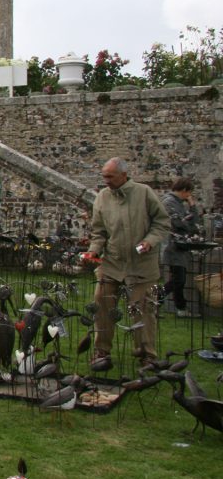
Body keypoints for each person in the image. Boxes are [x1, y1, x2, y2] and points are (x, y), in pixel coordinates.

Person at [84, 157, 170, 369]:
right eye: (104, 176)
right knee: (101, 305)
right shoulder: (102, 197)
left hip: (141, 265)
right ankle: (102, 351)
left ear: (124, 175)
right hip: (112, 263)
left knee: (142, 309)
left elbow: (162, 222)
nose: (106, 181)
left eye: (110, 177)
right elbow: (98, 231)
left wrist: (149, 241)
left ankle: (146, 354)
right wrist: (94, 250)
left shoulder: (143, 193)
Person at [160, 177, 201, 318]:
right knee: (178, 279)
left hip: (180, 245)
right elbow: (179, 224)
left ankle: (181, 308)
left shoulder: (179, 203)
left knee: (179, 278)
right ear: (184, 190)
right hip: (172, 245)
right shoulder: (169, 202)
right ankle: (155, 300)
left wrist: (192, 206)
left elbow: (195, 223)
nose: (188, 196)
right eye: (188, 193)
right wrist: (189, 224)